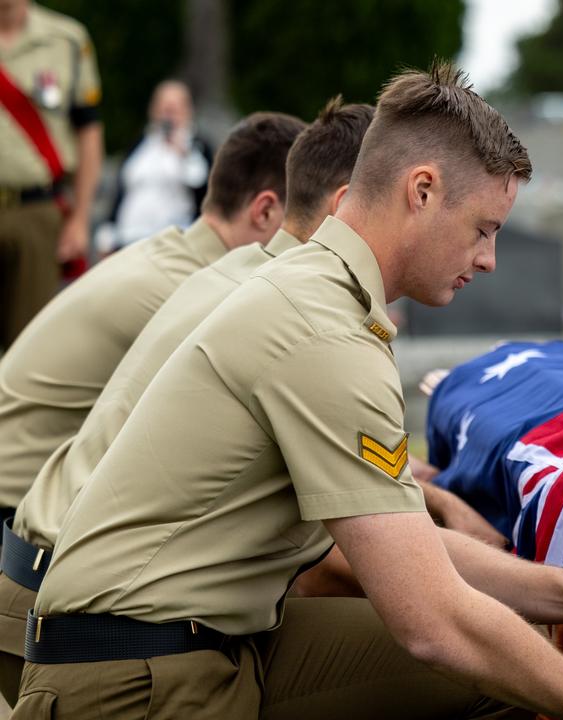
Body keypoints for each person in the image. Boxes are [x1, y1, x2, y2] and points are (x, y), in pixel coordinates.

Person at [13, 65, 563, 720]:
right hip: (137, 677)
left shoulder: (305, 284)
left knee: (508, 658)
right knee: (504, 670)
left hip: (167, 639)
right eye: (483, 229)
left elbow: (403, 549)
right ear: (421, 191)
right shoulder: (323, 330)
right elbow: (434, 621)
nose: (487, 259)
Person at [0, 98, 385, 703]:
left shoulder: (195, 271)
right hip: (64, 590)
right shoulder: (236, 300)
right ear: (266, 208)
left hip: (41, 560)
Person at [0, 111, 304, 520]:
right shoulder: (194, 291)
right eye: (306, 221)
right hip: (16, 520)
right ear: (265, 212)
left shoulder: (168, 258)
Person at [0, 0, 103, 348]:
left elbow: (88, 131)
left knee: (29, 348)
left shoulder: (66, 39)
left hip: (37, 215)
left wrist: (81, 218)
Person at [103, 79, 215, 249]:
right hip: (129, 239)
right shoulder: (142, 143)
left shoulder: (198, 146)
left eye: (174, 109)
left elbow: (203, 186)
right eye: (164, 108)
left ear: (188, 110)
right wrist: (108, 234)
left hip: (173, 242)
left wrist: (183, 152)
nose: (168, 116)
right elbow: (122, 188)